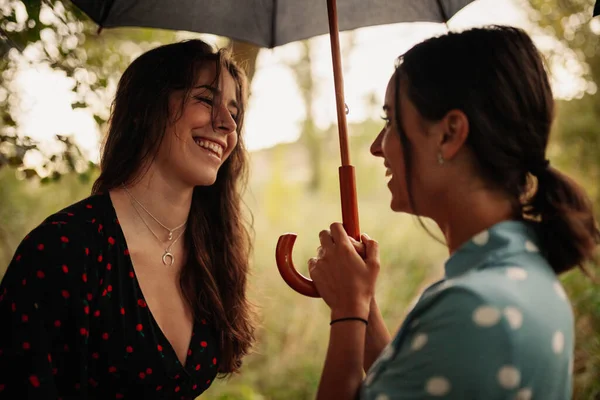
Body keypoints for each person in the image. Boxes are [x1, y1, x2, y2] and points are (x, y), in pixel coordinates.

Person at [308, 26, 599, 400]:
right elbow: (413, 381)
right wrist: (362, 302)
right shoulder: (521, 273)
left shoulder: (473, 307)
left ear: (449, 134)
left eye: (392, 122)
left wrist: (348, 311)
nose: (378, 148)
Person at [0, 39, 255, 399]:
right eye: (204, 99)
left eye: (234, 111)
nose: (227, 124)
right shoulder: (61, 251)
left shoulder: (212, 250)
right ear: (145, 108)